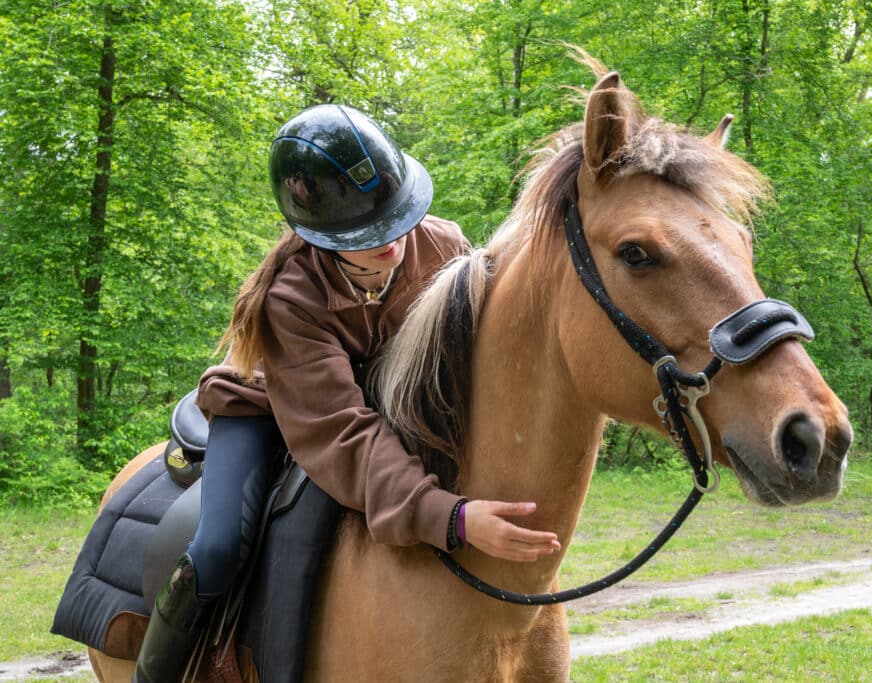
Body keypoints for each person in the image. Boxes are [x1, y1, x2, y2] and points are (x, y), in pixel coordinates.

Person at [132, 104, 561, 682]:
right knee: (215, 548)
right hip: (269, 409)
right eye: (368, 233)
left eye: (396, 216)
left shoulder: (445, 247)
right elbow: (343, 431)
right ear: (319, 235)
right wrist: (451, 519)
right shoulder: (291, 296)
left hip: (390, 401)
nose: (391, 242)